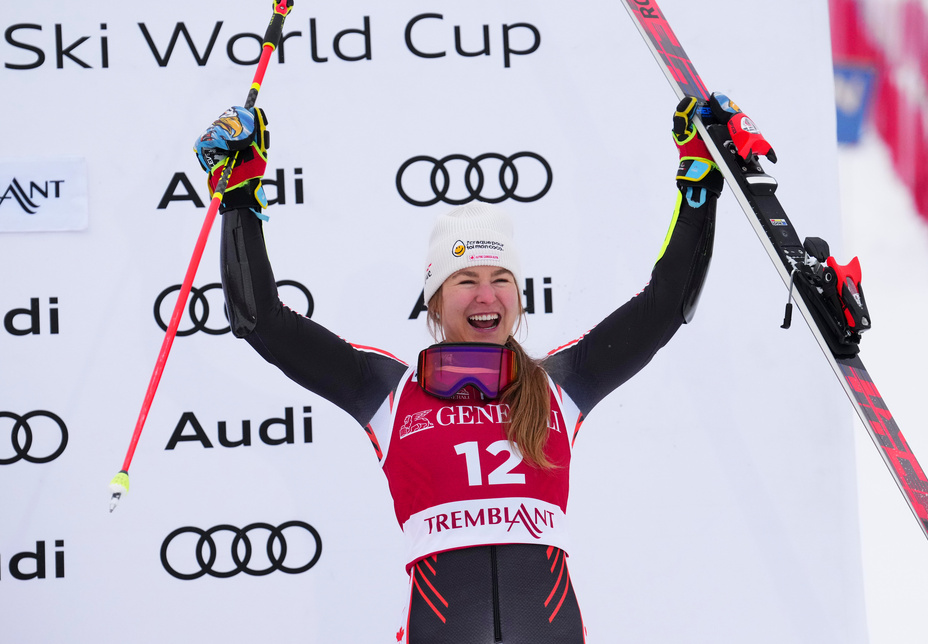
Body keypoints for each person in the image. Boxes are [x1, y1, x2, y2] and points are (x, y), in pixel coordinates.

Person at [195, 96, 723, 643]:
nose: (485, 295)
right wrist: (239, 197)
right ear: (435, 302)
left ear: (519, 298)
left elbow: (666, 306)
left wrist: (698, 182)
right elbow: (262, 322)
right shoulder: (388, 393)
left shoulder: (560, 386)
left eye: (501, 279)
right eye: (465, 280)